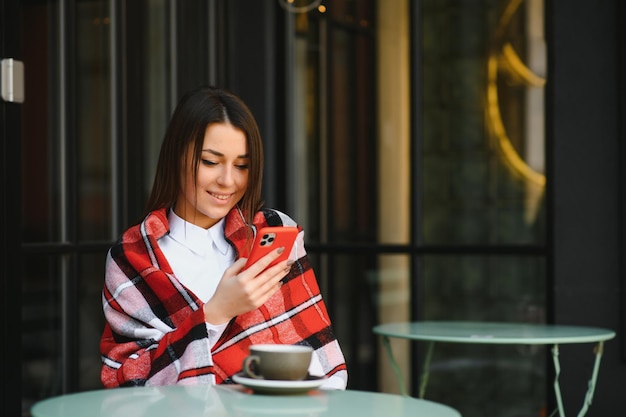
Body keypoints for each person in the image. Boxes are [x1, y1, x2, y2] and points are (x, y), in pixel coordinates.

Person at [100, 86, 348, 389]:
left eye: (242, 166)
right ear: (177, 156)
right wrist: (217, 312)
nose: (228, 181)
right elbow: (131, 381)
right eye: (210, 161)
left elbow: (320, 360)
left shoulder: (272, 231)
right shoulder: (132, 257)